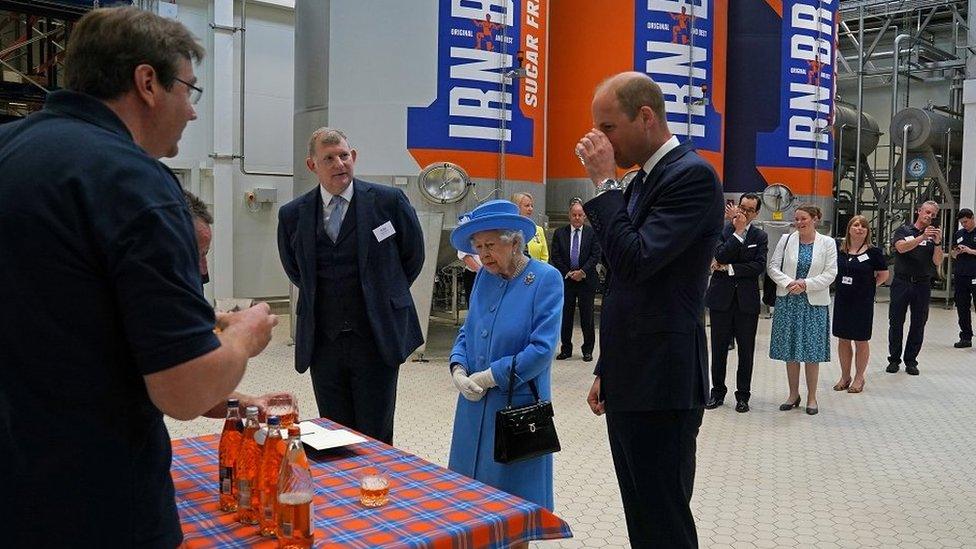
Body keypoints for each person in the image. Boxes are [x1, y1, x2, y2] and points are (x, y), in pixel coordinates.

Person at [0, 7, 278, 547]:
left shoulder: (11, 150)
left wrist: (192, 321)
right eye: (189, 91)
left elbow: (59, 307)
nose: (193, 114)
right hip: (95, 504)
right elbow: (184, 390)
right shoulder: (133, 181)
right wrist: (243, 336)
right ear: (147, 82)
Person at [575, 71, 723, 548]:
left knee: (664, 519)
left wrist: (602, 185)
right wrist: (607, 367)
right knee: (641, 515)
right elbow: (621, 285)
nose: (600, 140)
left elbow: (636, 261)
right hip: (632, 375)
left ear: (645, 116)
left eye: (608, 127)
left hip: (664, 381)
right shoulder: (641, 181)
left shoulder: (691, 176)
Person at [277, 127, 425, 444]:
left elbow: (412, 257)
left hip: (375, 338)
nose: (339, 164)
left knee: (376, 432)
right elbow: (295, 269)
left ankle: (376, 489)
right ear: (312, 165)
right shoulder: (292, 215)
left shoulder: (388, 201)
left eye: (344, 156)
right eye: (328, 158)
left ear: (353, 156)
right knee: (332, 433)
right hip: (324, 343)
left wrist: (382, 294)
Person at [446, 199, 562, 509]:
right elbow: (468, 330)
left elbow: (541, 350)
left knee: (513, 508)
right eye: (478, 246)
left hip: (516, 412)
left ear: (514, 243)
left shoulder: (545, 279)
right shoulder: (485, 275)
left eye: (490, 245)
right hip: (473, 408)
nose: (483, 254)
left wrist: (488, 377)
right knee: (471, 503)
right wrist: (458, 367)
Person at [767, 205, 837, 415]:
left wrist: (805, 284)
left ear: (815, 219)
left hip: (813, 303)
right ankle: (793, 394)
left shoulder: (828, 243)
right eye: (796, 219)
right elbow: (773, 267)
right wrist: (790, 284)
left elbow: (831, 272)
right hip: (789, 301)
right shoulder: (786, 240)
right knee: (790, 351)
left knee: (812, 353)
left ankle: (812, 397)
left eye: (803, 219)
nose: (799, 223)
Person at [705, 193, 768, 413]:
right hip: (721, 299)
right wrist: (738, 232)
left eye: (750, 210)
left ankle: (743, 395)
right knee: (718, 348)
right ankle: (717, 392)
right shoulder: (724, 230)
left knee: (746, 350)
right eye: (742, 207)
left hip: (746, 302)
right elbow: (720, 255)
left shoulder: (760, 237)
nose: (744, 212)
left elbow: (758, 266)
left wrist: (730, 269)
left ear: (757, 213)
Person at [832, 216, 888, 394]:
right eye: (856, 225)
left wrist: (868, 287)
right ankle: (845, 376)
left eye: (864, 226)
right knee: (843, 338)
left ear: (867, 231)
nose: (859, 228)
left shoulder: (874, 252)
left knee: (861, 339)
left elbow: (883, 275)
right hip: (842, 299)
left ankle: (859, 377)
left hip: (862, 301)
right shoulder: (839, 249)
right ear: (849, 229)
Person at [887, 200, 943, 375]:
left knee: (919, 323)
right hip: (902, 282)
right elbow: (901, 248)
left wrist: (938, 243)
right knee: (896, 321)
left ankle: (911, 360)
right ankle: (894, 359)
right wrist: (922, 238)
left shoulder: (933, 237)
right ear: (919, 211)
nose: (929, 216)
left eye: (933, 215)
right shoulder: (904, 230)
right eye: (927, 212)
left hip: (922, 284)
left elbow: (938, 262)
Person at [550, 199, 602, 362]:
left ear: (584, 216)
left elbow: (596, 255)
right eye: (574, 215)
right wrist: (569, 272)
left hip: (586, 280)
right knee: (566, 315)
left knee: (587, 316)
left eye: (580, 215)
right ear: (569, 216)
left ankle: (587, 350)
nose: (577, 218)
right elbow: (555, 256)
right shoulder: (560, 233)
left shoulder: (592, 233)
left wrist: (582, 272)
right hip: (566, 280)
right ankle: (566, 349)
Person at [950, 208, 976, 348]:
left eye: (966, 222)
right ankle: (966, 337)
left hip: (975, 275)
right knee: (962, 307)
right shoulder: (959, 234)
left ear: (972, 218)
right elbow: (953, 253)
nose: (964, 225)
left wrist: (970, 251)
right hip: (961, 275)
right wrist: (957, 252)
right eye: (961, 223)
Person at [510, 191, 549, 262]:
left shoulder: (538, 230)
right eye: (527, 206)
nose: (531, 209)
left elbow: (544, 256)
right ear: (517, 207)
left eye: (532, 206)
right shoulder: (509, 229)